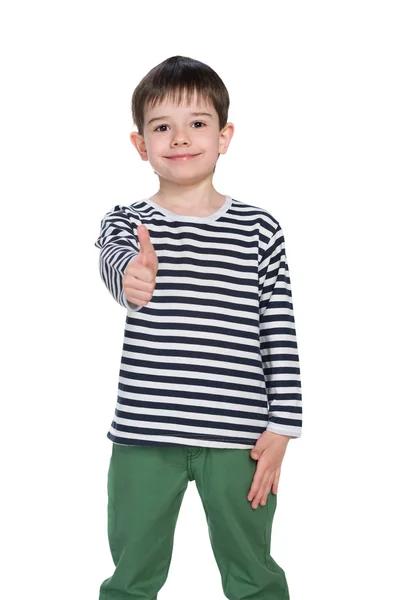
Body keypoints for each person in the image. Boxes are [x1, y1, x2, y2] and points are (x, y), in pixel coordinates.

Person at [94, 55, 302, 600]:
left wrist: (283, 427)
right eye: (162, 126)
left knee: (254, 576)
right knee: (131, 577)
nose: (180, 138)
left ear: (224, 135)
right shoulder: (127, 221)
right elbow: (115, 263)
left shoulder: (259, 228)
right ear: (141, 144)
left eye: (197, 123)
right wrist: (130, 277)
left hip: (241, 440)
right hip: (144, 435)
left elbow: (278, 328)